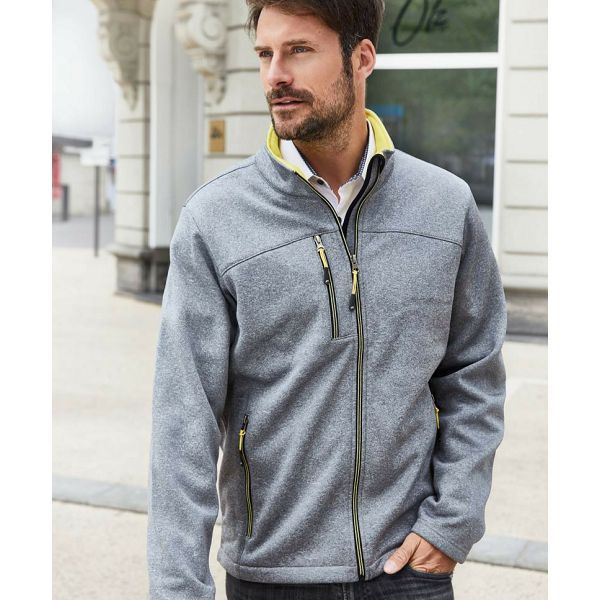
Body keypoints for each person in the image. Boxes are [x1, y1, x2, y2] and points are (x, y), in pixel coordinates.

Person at [147, 1, 507, 599]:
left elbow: (474, 376)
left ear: (361, 58)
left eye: (299, 51)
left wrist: (453, 521)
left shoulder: (445, 207)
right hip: (270, 576)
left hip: (407, 574)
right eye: (265, 54)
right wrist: (178, 590)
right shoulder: (215, 220)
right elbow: (183, 421)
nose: (275, 75)